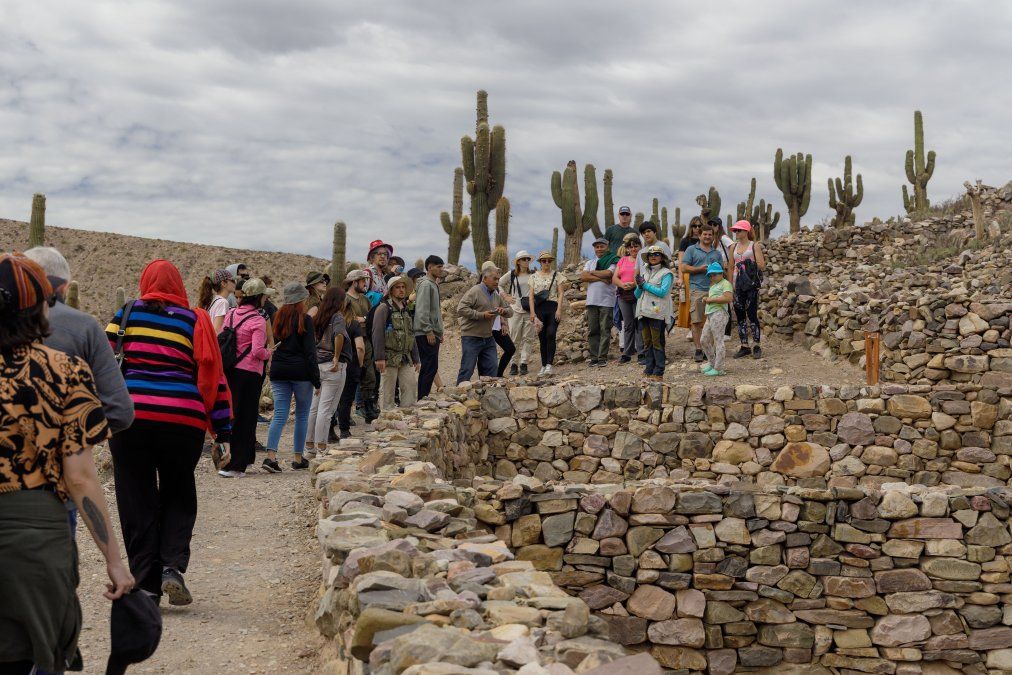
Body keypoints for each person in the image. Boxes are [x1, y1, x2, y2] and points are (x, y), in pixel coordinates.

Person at [0, 254, 134, 675]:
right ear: (42, 306)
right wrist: (114, 561)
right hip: (35, 540)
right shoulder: (65, 372)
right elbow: (80, 478)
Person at [105, 259, 231, 605]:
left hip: (131, 418)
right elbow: (212, 375)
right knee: (178, 490)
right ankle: (171, 567)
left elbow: (101, 361)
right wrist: (223, 429)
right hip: (183, 419)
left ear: (145, 283)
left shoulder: (126, 314)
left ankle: (145, 584)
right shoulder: (195, 320)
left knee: (136, 496)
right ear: (178, 285)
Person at [24, 246, 134, 437]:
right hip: (60, 461)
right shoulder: (85, 328)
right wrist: (71, 439)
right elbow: (120, 411)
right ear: (65, 288)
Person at [220, 278, 273, 476]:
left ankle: (234, 458)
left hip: (230, 370)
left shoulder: (232, 314)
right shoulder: (258, 320)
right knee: (246, 418)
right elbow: (258, 351)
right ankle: (236, 465)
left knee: (232, 415)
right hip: (249, 374)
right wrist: (270, 353)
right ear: (258, 297)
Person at [267, 282, 321, 470]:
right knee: (302, 415)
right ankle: (298, 458)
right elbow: (310, 353)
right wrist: (317, 380)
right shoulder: (304, 320)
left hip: (279, 371)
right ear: (300, 300)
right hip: (301, 373)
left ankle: (271, 457)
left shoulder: (276, 317)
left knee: (280, 414)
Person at [306, 287, 348, 453]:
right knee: (327, 409)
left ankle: (309, 445)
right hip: (332, 367)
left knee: (314, 408)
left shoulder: (319, 316)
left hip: (318, 365)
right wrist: (336, 356)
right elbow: (339, 335)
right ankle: (322, 446)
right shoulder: (337, 316)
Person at [457, 265, 513, 383]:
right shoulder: (475, 291)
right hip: (471, 337)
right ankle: (458, 398)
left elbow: (510, 311)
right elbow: (461, 309)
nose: (497, 282)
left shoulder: (495, 295)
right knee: (467, 370)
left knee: (492, 370)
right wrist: (481, 315)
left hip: (488, 338)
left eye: (498, 279)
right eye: (494, 279)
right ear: (485, 278)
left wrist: (504, 311)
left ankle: (487, 397)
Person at [373, 276, 420, 410]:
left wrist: (416, 358)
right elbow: (377, 333)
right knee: (387, 392)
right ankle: (384, 423)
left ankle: (407, 422)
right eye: (397, 287)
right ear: (391, 290)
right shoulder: (383, 308)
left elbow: (411, 334)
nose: (401, 290)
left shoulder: (405, 309)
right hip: (388, 357)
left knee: (410, 387)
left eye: (403, 287)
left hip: (406, 357)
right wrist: (379, 357)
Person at [680, 224, 725, 362]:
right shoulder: (691, 249)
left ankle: (709, 349)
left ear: (713, 236)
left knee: (712, 321)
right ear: (699, 236)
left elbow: (721, 272)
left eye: (710, 234)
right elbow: (683, 267)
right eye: (704, 234)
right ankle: (698, 349)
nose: (707, 236)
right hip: (696, 289)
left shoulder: (716, 253)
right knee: (696, 321)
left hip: (713, 291)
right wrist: (699, 269)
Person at [634, 245, 674, 381]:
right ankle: (649, 368)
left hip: (657, 313)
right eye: (651, 255)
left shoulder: (666, 273)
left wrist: (645, 285)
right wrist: (639, 286)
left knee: (657, 343)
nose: (653, 256)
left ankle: (659, 371)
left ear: (662, 258)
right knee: (647, 342)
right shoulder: (644, 272)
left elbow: (663, 292)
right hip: (643, 311)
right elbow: (637, 294)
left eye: (657, 254)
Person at [344, 269, 379, 422]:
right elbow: (348, 319)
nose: (366, 283)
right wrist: (362, 319)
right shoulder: (345, 299)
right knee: (350, 378)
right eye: (363, 281)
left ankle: (368, 407)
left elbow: (370, 318)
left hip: (366, 340)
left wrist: (363, 318)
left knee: (369, 375)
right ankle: (343, 412)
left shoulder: (365, 300)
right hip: (350, 343)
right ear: (354, 282)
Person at [730, 220, 767, 359]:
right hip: (737, 285)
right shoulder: (733, 247)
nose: (736, 233)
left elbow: (761, 265)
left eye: (739, 230)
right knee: (740, 315)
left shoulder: (754, 246)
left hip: (750, 285)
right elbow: (730, 266)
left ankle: (756, 345)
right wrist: (730, 284)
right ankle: (744, 345)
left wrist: (748, 264)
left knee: (752, 314)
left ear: (746, 231)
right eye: (735, 231)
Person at [581, 237, 619, 366]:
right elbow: (584, 276)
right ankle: (594, 357)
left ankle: (602, 357)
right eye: (597, 247)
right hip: (592, 300)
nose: (599, 249)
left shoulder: (612, 260)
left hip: (607, 300)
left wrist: (593, 273)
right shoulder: (590, 262)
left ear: (607, 247)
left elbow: (609, 274)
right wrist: (601, 278)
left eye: (601, 246)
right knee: (593, 330)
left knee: (605, 329)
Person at [528, 250, 567, 376]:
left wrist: (559, 309)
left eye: (548, 260)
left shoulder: (557, 275)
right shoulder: (533, 276)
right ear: (540, 262)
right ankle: (543, 365)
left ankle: (549, 364)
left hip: (553, 307)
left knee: (551, 334)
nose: (546, 262)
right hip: (539, 309)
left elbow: (561, 293)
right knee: (542, 338)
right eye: (543, 260)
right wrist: (532, 313)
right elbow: (531, 296)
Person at [498, 251, 535, 375]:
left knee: (528, 338)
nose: (526, 261)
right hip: (515, 310)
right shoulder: (512, 274)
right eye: (524, 259)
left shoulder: (534, 274)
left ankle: (524, 363)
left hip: (529, 310)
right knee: (514, 338)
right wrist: (505, 297)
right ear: (518, 261)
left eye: (527, 259)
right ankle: (513, 363)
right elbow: (499, 284)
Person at [335, 295, 366, 439]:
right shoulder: (354, 324)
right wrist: (360, 364)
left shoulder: (330, 323)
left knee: (333, 399)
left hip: (332, 365)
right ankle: (344, 430)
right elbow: (360, 347)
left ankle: (328, 431)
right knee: (346, 400)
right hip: (351, 365)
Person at [413, 255, 444, 399]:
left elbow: (434, 310)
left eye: (441, 266)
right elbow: (422, 310)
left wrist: (439, 331)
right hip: (425, 332)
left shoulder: (433, 284)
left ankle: (422, 397)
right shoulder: (426, 285)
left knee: (430, 367)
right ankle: (422, 398)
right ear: (429, 267)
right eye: (438, 266)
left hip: (432, 331)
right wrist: (428, 331)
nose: (440, 269)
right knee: (429, 367)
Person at [480, 261, 516, 377]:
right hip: (484, 327)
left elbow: (501, 307)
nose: (496, 275)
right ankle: (483, 379)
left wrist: (503, 323)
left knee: (510, 349)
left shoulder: (495, 289)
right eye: (493, 271)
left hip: (497, 326)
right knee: (483, 355)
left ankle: (498, 375)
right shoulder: (477, 290)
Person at [613, 233, 644, 364]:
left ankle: (642, 352)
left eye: (636, 246)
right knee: (628, 324)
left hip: (637, 294)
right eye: (630, 247)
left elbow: (644, 277)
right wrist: (622, 285)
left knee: (639, 324)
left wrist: (634, 284)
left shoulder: (643, 260)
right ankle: (627, 352)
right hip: (623, 295)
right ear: (627, 249)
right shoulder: (622, 260)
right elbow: (614, 278)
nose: (633, 249)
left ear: (640, 247)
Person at [700, 262, 733, 376]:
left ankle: (719, 368)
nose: (712, 277)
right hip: (710, 314)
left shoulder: (725, 283)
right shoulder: (714, 285)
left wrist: (710, 300)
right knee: (703, 340)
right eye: (710, 275)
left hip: (719, 313)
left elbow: (728, 298)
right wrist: (708, 300)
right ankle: (712, 363)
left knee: (718, 341)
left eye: (714, 274)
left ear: (721, 273)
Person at [198, 268, 236, 333]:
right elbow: (217, 330)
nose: (235, 283)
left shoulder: (213, 300)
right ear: (223, 283)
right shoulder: (222, 302)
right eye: (233, 280)